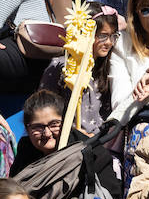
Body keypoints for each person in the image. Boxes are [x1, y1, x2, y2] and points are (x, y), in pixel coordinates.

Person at [39, 8, 119, 138]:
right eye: (103, 36)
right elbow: (44, 106)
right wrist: (72, 132)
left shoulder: (109, 68)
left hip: (102, 140)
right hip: (69, 139)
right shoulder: (61, 66)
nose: (109, 42)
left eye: (113, 36)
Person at [10, 89, 72, 177]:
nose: (47, 133)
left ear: (65, 123)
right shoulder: (25, 149)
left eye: (54, 124)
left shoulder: (80, 152)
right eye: (38, 127)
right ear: (27, 129)